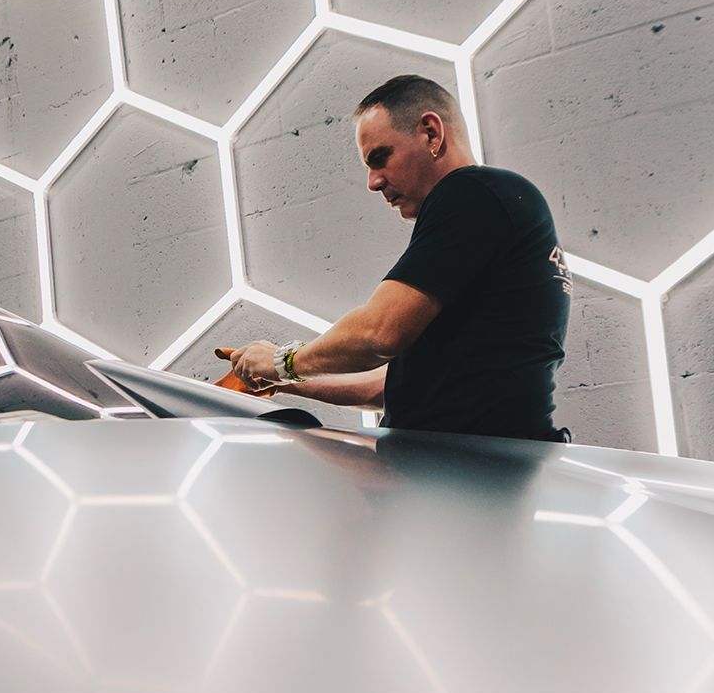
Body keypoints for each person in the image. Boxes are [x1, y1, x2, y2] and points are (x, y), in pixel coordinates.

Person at [227, 75, 571, 442]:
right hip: (476, 469)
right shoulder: (498, 207)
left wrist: (282, 361)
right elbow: (391, 386)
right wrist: (278, 381)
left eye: (380, 158)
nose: (373, 182)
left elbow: (378, 334)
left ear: (431, 133)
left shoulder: (472, 193)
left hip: (468, 478)